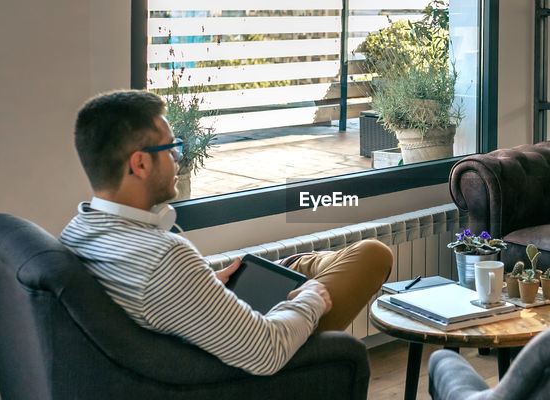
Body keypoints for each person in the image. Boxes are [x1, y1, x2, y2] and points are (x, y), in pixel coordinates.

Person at [59, 90, 392, 375]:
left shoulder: (80, 229)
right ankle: (310, 271)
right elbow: (267, 351)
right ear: (140, 164)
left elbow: (158, 300)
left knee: (301, 267)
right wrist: (309, 302)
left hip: (206, 336)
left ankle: (306, 266)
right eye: (171, 148)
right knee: (373, 254)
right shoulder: (164, 258)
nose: (178, 157)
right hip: (250, 367)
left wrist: (201, 284)